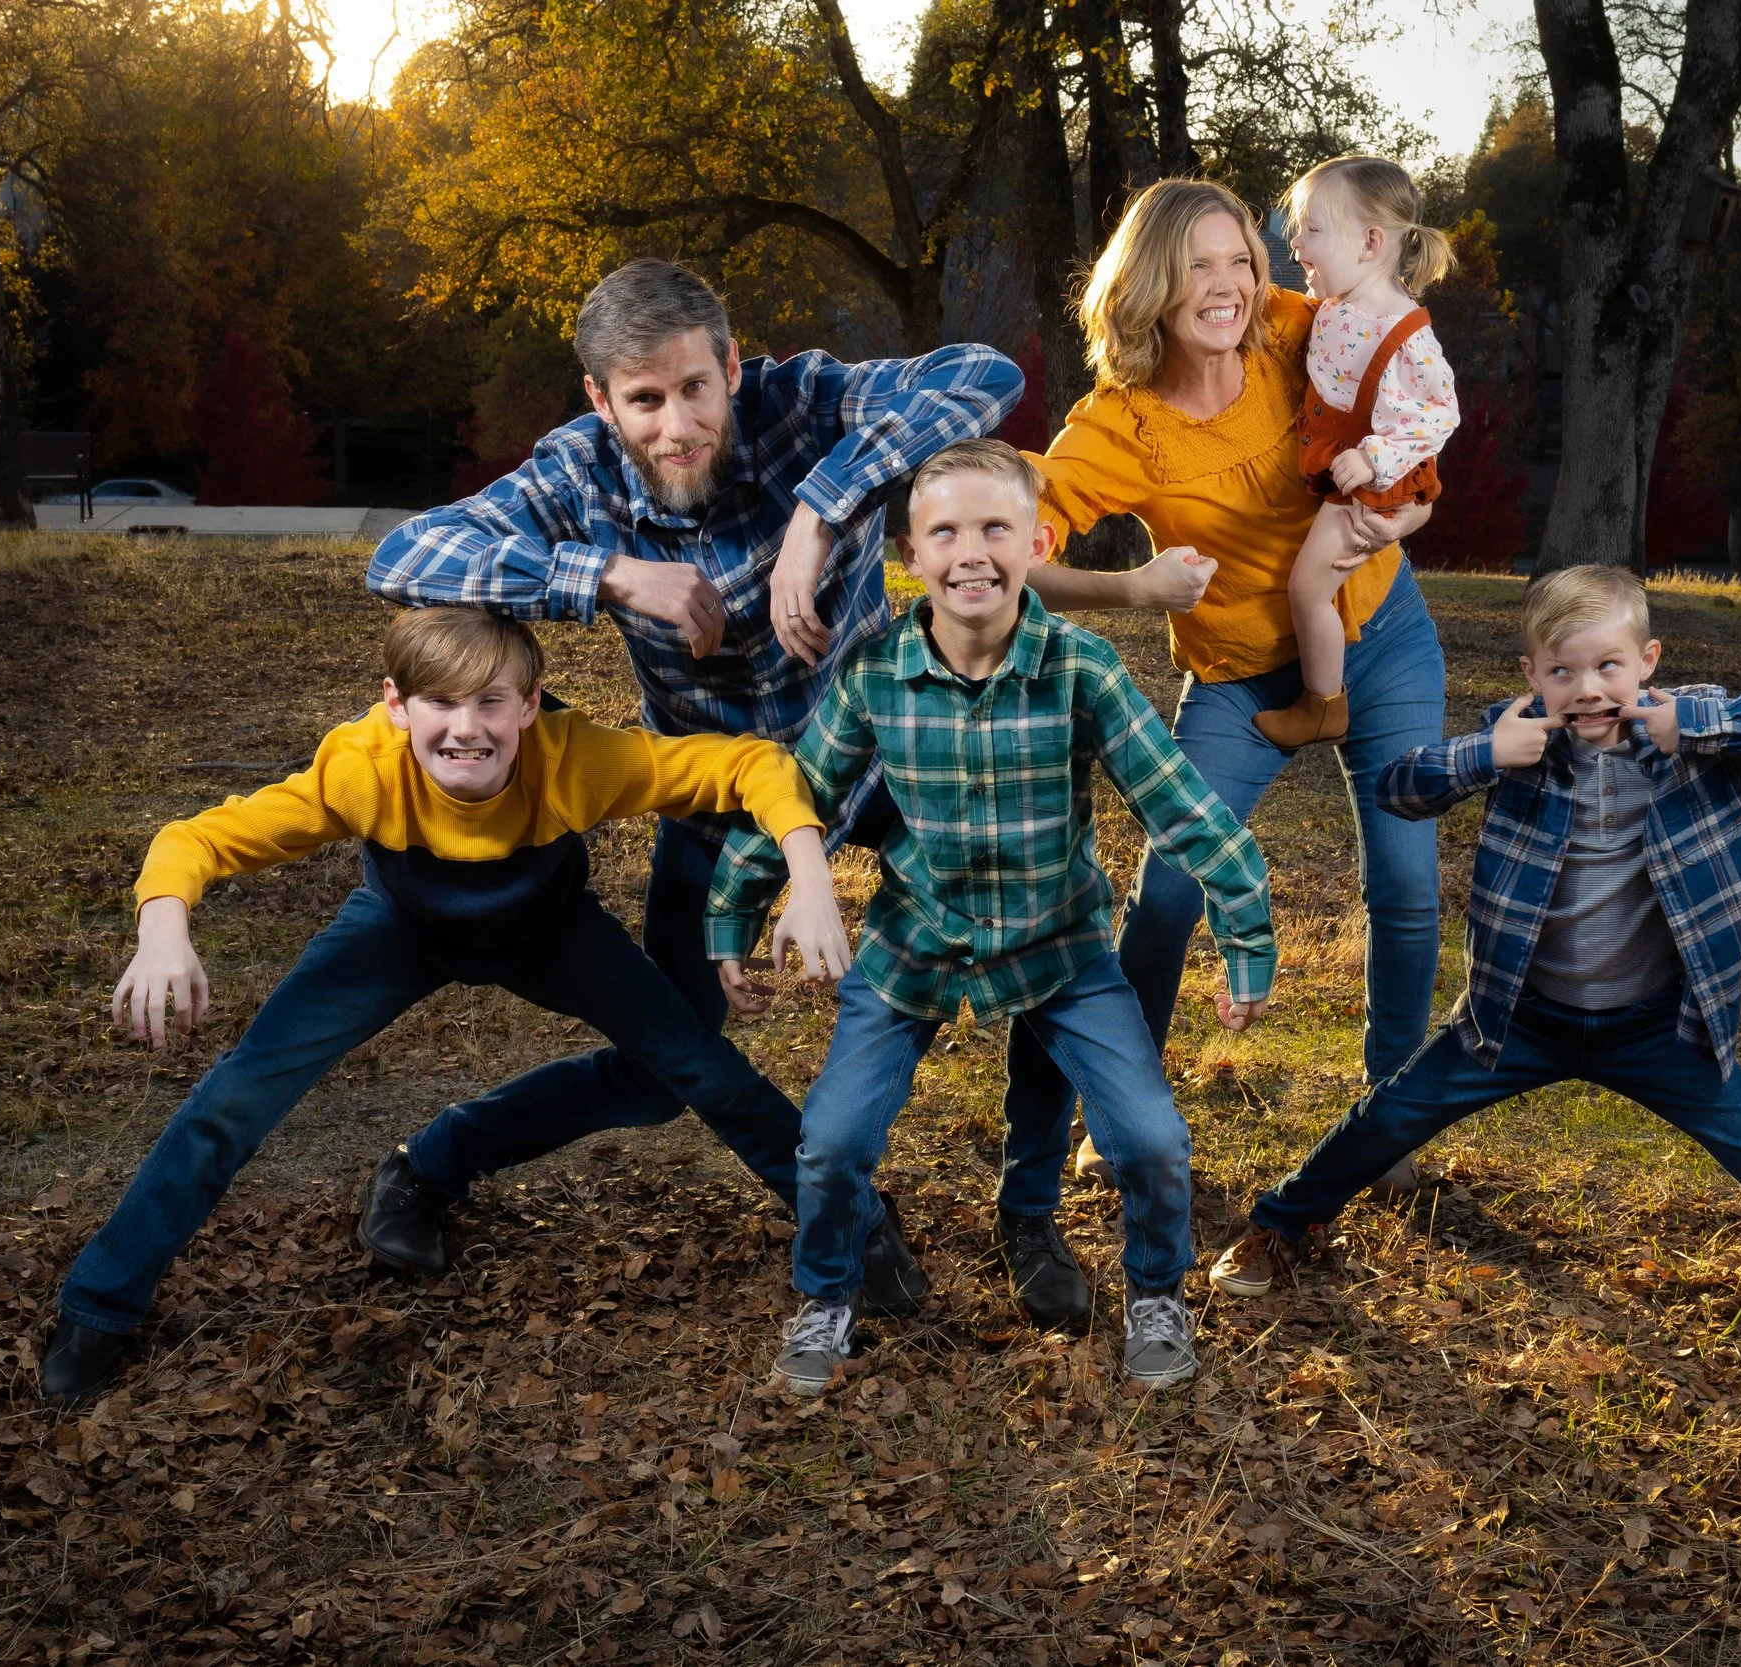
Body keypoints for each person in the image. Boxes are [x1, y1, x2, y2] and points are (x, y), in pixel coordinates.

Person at [357, 259, 1022, 1289]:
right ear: (601, 401)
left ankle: (1029, 1214)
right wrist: (607, 574)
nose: (677, 424)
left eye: (695, 388)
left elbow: (982, 374)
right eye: (645, 401)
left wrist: (823, 507)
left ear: (731, 365)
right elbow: (404, 554)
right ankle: (430, 1161)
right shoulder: (579, 472)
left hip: (874, 765)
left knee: (1034, 932)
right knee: (667, 1057)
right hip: (715, 803)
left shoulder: (801, 400)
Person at [41, 607, 853, 1406]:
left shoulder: (576, 758)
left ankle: (850, 1232)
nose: (467, 728)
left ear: (531, 706)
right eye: (440, 702)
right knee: (237, 1096)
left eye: (492, 701)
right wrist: (162, 928)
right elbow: (197, 840)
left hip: (549, 929)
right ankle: (99, 1304)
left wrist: (809, 875)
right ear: (397, 704)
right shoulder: (360, 766)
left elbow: (751, 765)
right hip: (401, 928)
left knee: (698, 1069)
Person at [1205, 567, 1741, 1370]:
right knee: (1390, 1115)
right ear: (1532, 675)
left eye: (1608, 667)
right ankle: (1280, 1227)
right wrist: (1483, 753)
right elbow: (1399, 788)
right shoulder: (1517, 738)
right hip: (1519, 1018)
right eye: (1562, 670)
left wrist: (1698, 724)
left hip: (1658, 1026)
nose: (1587, 689)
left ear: (1648, 660)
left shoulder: (1694, 738)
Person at [705, 440, 1277, 1392]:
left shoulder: (1082, 671)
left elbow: (1185, 808)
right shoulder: (877, 674)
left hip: (1058, 943)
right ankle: (827, 1298)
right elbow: (800, 792)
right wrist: (735, 914)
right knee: (834, 1139)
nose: (971, 552)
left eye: (995, 528)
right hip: (915, 941)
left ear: (1037, 541)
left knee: (1151, 1139)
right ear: (912, 557)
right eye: (945, 533)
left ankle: (1153, 1293)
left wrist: (1245, 933)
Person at [998, 178, 1444, 1300]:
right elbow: (1015, 550)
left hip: (1379, 631)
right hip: (1242, 677)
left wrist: (1413, 503)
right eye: (1203, 265)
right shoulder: (1118, 424)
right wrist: (1133, 585)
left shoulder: (1305, 327)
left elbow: (1414, 394)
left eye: (1243, 260)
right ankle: (1125, 1104)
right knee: (1171, 889)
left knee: (1402, 873)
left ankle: (1388, 1112)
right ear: (1152, 281)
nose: (1234, 285)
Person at [1253, 156, 1460, 750]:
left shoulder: (1405, 332)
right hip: (1346, 463)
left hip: (1373, 480)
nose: (1295, 245)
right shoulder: (1346, 306)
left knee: (1306, 587)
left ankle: (1322, 705)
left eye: (1311, 229)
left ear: (1371, 242)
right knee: (1319, 582)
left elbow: (1440, 414)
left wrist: (1374, 459)